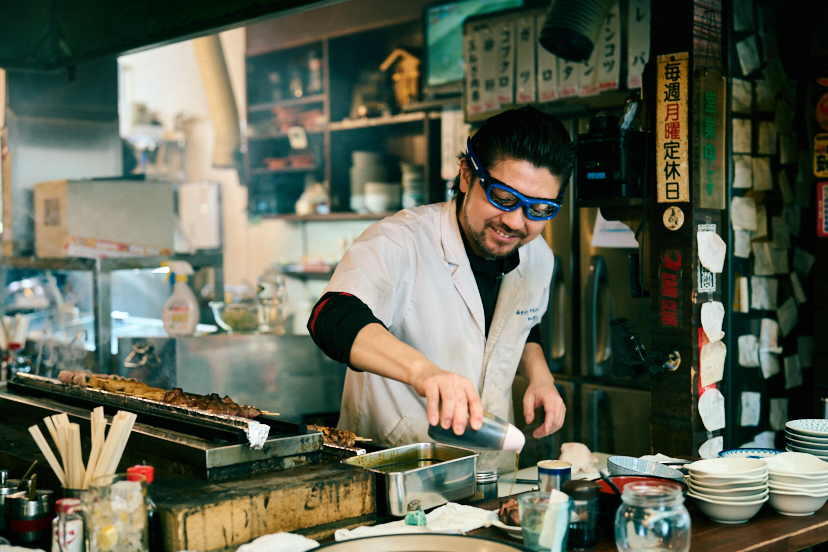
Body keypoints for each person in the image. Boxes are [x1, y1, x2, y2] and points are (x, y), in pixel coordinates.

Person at [308, 106, 572, 469]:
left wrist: (540, 376)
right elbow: (330, 316)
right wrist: (424, 373)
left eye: (539, 209)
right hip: (393, 472)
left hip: (490, 477)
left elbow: (522, 324)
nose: (515, 221)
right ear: (467, 175)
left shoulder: (537, 255)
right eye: (504, 198)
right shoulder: (402, 241)